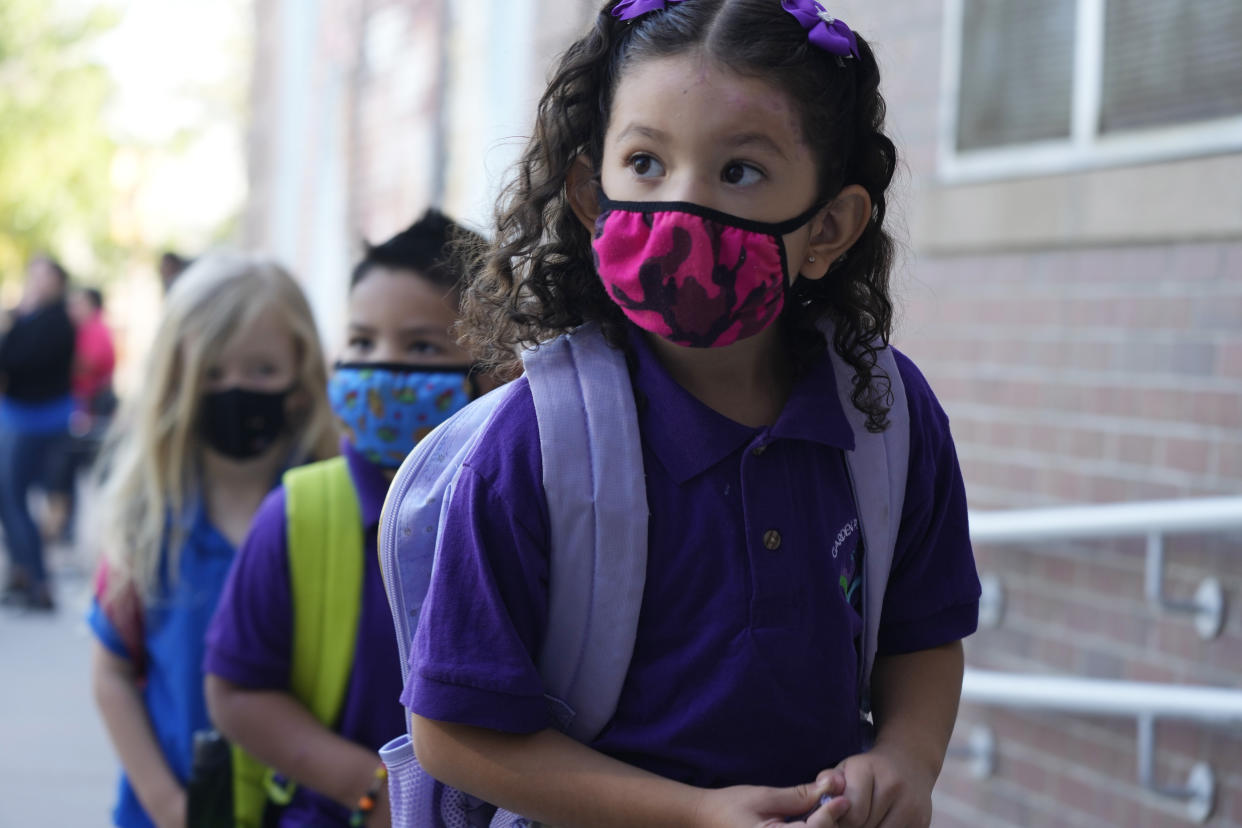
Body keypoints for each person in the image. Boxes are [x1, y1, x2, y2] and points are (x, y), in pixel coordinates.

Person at [404, 2, 981, 827]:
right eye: (645, 161)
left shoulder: (884, 414)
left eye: (739, 171)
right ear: (589, 198)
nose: (679, 209)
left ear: (828, 228)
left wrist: (905, 761)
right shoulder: (535, 447)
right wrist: (692, 815)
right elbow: (454, 733)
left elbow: (922, 637)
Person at [203, 210, 495, 828]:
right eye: (361, 342)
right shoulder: (297, 513)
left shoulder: (520, 514)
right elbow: (235, 690)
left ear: (498, 366)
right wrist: (370, 790)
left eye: (421, 346)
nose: (379, 368)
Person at [89, 254, 338, 828]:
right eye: (212, 373)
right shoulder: (146, 517)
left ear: (301, 377)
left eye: (262, 371)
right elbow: (112, 671)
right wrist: (168, 805)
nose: (235, 390)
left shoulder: (334, 508)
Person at [0, 254, 77, 611]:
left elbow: (17, 361)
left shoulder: (59, 321)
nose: (36, 281)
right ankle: (22, 572)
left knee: (17, 499)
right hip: (19, 417)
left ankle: (37, 579)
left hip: (37, 421)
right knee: (10, 499)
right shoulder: (26, 316)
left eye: (44, 275)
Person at [42, 286, 118, 545]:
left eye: (78, 303)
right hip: (82, 409)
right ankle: (63, 529)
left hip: (90, 410)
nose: (72, 309)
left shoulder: (94, 331)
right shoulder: (83, 330)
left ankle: (63, 529)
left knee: (78, 473)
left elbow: (88, 365)